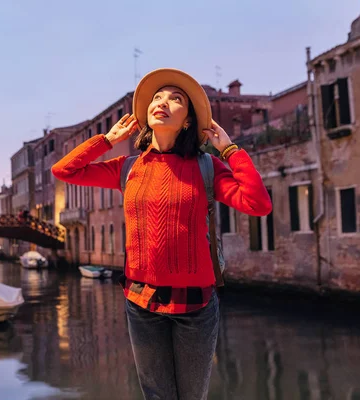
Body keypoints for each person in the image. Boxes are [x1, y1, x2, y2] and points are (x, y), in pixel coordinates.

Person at [52, 68, 272, 400]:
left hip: (196, 305)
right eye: (157, 97)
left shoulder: (207, 167)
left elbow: (258, 203)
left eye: (175, 98)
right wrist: (108, 141)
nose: (162, 102)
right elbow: (63, 170)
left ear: (187, 120)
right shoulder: (127, 167)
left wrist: (229, 151)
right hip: (140, 301)